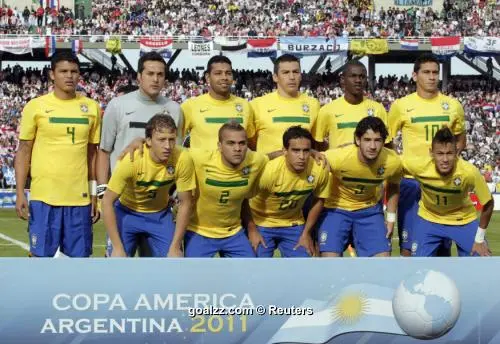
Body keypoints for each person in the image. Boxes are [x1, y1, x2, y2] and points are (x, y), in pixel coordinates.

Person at [15, 51, 101, 257]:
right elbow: (24, 151)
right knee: (39, 260)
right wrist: (20, 192)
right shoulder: (35, 106)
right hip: (44, 197)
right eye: (63, 71)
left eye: (74, 71)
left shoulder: (92, 108)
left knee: (79, 263)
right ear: (52, 74)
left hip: (79, 200)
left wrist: (93, 194)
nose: (69, 76)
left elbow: (92, 155)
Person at [97, 51, 183, 257]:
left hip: (158, 202)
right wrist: (102, 191)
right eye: (150, 73)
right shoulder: (118, 105)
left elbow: (176, 153)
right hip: (122, 198)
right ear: (138, 77)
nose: (155, 79)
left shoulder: (174, 109)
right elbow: (104, 150)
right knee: (118, 263)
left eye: (160, 74)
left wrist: (173, 192)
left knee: (162, 267)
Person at [388, 53, 466, 256]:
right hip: (411, 182)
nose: (432, 77)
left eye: (435, 72)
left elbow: (460, 140)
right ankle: (406, 286)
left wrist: (446, 162)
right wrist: (402, 163)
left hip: (441, 184)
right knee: (408, 247)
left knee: (442, 246)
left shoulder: (453, 105)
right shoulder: (400, 106)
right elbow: (388, 141)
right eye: (426, 72)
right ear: (415, 76)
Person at [312, 60, 390, 257]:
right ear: (342, 80)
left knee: (381, 262)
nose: (358, 80)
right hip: (335, 198)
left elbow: (387, 148)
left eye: (362, 76)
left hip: (368, 196)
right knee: (329, 260)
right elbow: (319, 149)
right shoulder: (328, 111)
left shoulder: (378, 109)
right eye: (353, 76)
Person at [102, 114, 195, 257]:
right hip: (127, 213)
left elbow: (186, 203)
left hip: (160, 214)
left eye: (171, 139)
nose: (167, 146)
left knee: (175, 261)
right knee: (117, 263)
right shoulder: (132, 160)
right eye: (161, 140)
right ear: (149, 141)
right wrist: (116, 247)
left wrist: (176, 246)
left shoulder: (183, 158)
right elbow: (107, 201)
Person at [319, 117, 402, 257]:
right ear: (358, 140)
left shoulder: (392, 162)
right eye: (367, 140)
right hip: (336, 208)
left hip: (369, 210)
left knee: (383, 261)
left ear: (383, 142)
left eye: (377, 140)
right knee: (329, 261)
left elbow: (394, 186)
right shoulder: (338, 158)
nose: (373, 146)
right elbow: (313, 161)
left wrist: (391, 219)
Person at [404, 128, 493, 257]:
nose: (445, 159)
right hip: (429, 219)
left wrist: (479, 239)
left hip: (463, 220)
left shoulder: (469, 172)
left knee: (481, 259)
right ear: (431, 153)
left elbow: (488, 203)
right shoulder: (419, 166)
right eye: (440, 153)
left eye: (449, 153)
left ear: (457, 152)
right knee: (419, 267)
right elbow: (393, 165)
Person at [185, 121, 268, 257]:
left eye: (242, 143)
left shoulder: (255, 160)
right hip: (199, 232)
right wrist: (140, 141)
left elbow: (275, 156)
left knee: (250, 272)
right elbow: (173, 152)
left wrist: (312, 152)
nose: (237, 148)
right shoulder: (200, 159)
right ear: (219, 146)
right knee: (195, 277)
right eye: (231, 143)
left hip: (233, 233)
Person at [247, 126, 330, 257]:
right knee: (257, 267)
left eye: (306, 151)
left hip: (293, 223)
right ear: (285, 151)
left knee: (304, 265)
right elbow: (244, 199)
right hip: (261, 222)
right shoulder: (268, 172)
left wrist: (306, 233)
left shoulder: (319, 169)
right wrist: (252, 230)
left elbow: (319, 199)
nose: (302, 156)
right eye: (296, 151)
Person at [249, 54, 320, 158]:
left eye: (295, 72)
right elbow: (250, 143)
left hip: (301, 171)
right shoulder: (257, 104)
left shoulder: (313, 104)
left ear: (300, 75)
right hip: (268, 171)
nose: (292, 77)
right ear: (275, 77)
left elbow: (315, 142)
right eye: (286, 72)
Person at [181, 55, 254, 149]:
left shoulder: (245, 106)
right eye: (218, 73)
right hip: (201, 164)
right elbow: (176, 140)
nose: (224, 77)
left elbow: (251, 142)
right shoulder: (190, 106)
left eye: (228, 73)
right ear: (207, 77)